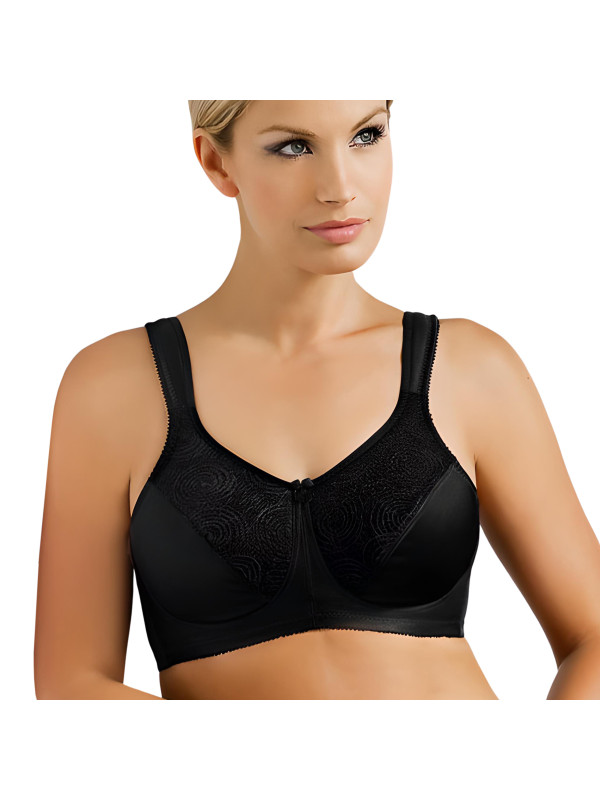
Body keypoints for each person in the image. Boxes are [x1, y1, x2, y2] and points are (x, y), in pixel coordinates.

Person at [34, 100, 600, 700]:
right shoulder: (116, 386)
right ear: (216, 162)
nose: (340, 187)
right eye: (293, 147)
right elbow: (71, 686)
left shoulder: (468, 368)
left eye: (366, 135)